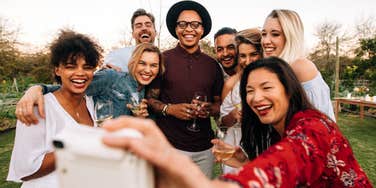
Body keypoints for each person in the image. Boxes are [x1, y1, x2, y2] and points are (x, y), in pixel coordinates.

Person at [102, 57, 371, 187]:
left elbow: (290, 159)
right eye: (249, 91)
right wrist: (244, 161)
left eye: (267, 87)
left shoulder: (314, 124)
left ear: (289, 89)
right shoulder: (278, 130)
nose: (256, 98)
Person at [7, 30, 101, 187]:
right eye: (71, 66)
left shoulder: (90, 103)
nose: (80, 73)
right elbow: (25, 170)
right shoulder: (38, 107)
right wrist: (77, 144)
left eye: (87, 67)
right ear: (58, 70)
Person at [147, 0, 223, 178]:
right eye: (183, 24)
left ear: (202, 30)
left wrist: (209, 109)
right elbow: (150, 100)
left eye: (195, 24)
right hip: (169, 146)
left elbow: (219, 104)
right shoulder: (162, 59)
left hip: (204, 150)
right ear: (176, 29)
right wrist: (170, 109)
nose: (189, 29)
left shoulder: (212, 65)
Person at [15, 43, 164, 124]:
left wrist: (140, 119)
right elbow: (68, 90)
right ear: (133, 63)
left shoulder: (147, 92)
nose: (147, 70)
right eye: (142, 63)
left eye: (153, 65)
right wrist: (38, 88)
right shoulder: (112, 77)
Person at [261, 9, 335, 121]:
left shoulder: (302, 68)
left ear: (291, 36)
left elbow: (322, 120)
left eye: (275, 34)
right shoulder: (273, 69)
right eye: (264, 34)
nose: (266, 41)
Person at [219, 28, 262, 174]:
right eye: (243, 56)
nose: (248, 61)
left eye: (253, 54)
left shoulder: (272, 80)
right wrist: (233, 115)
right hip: (235, 146)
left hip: (262, 146)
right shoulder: (233, 85)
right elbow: (221, 123)